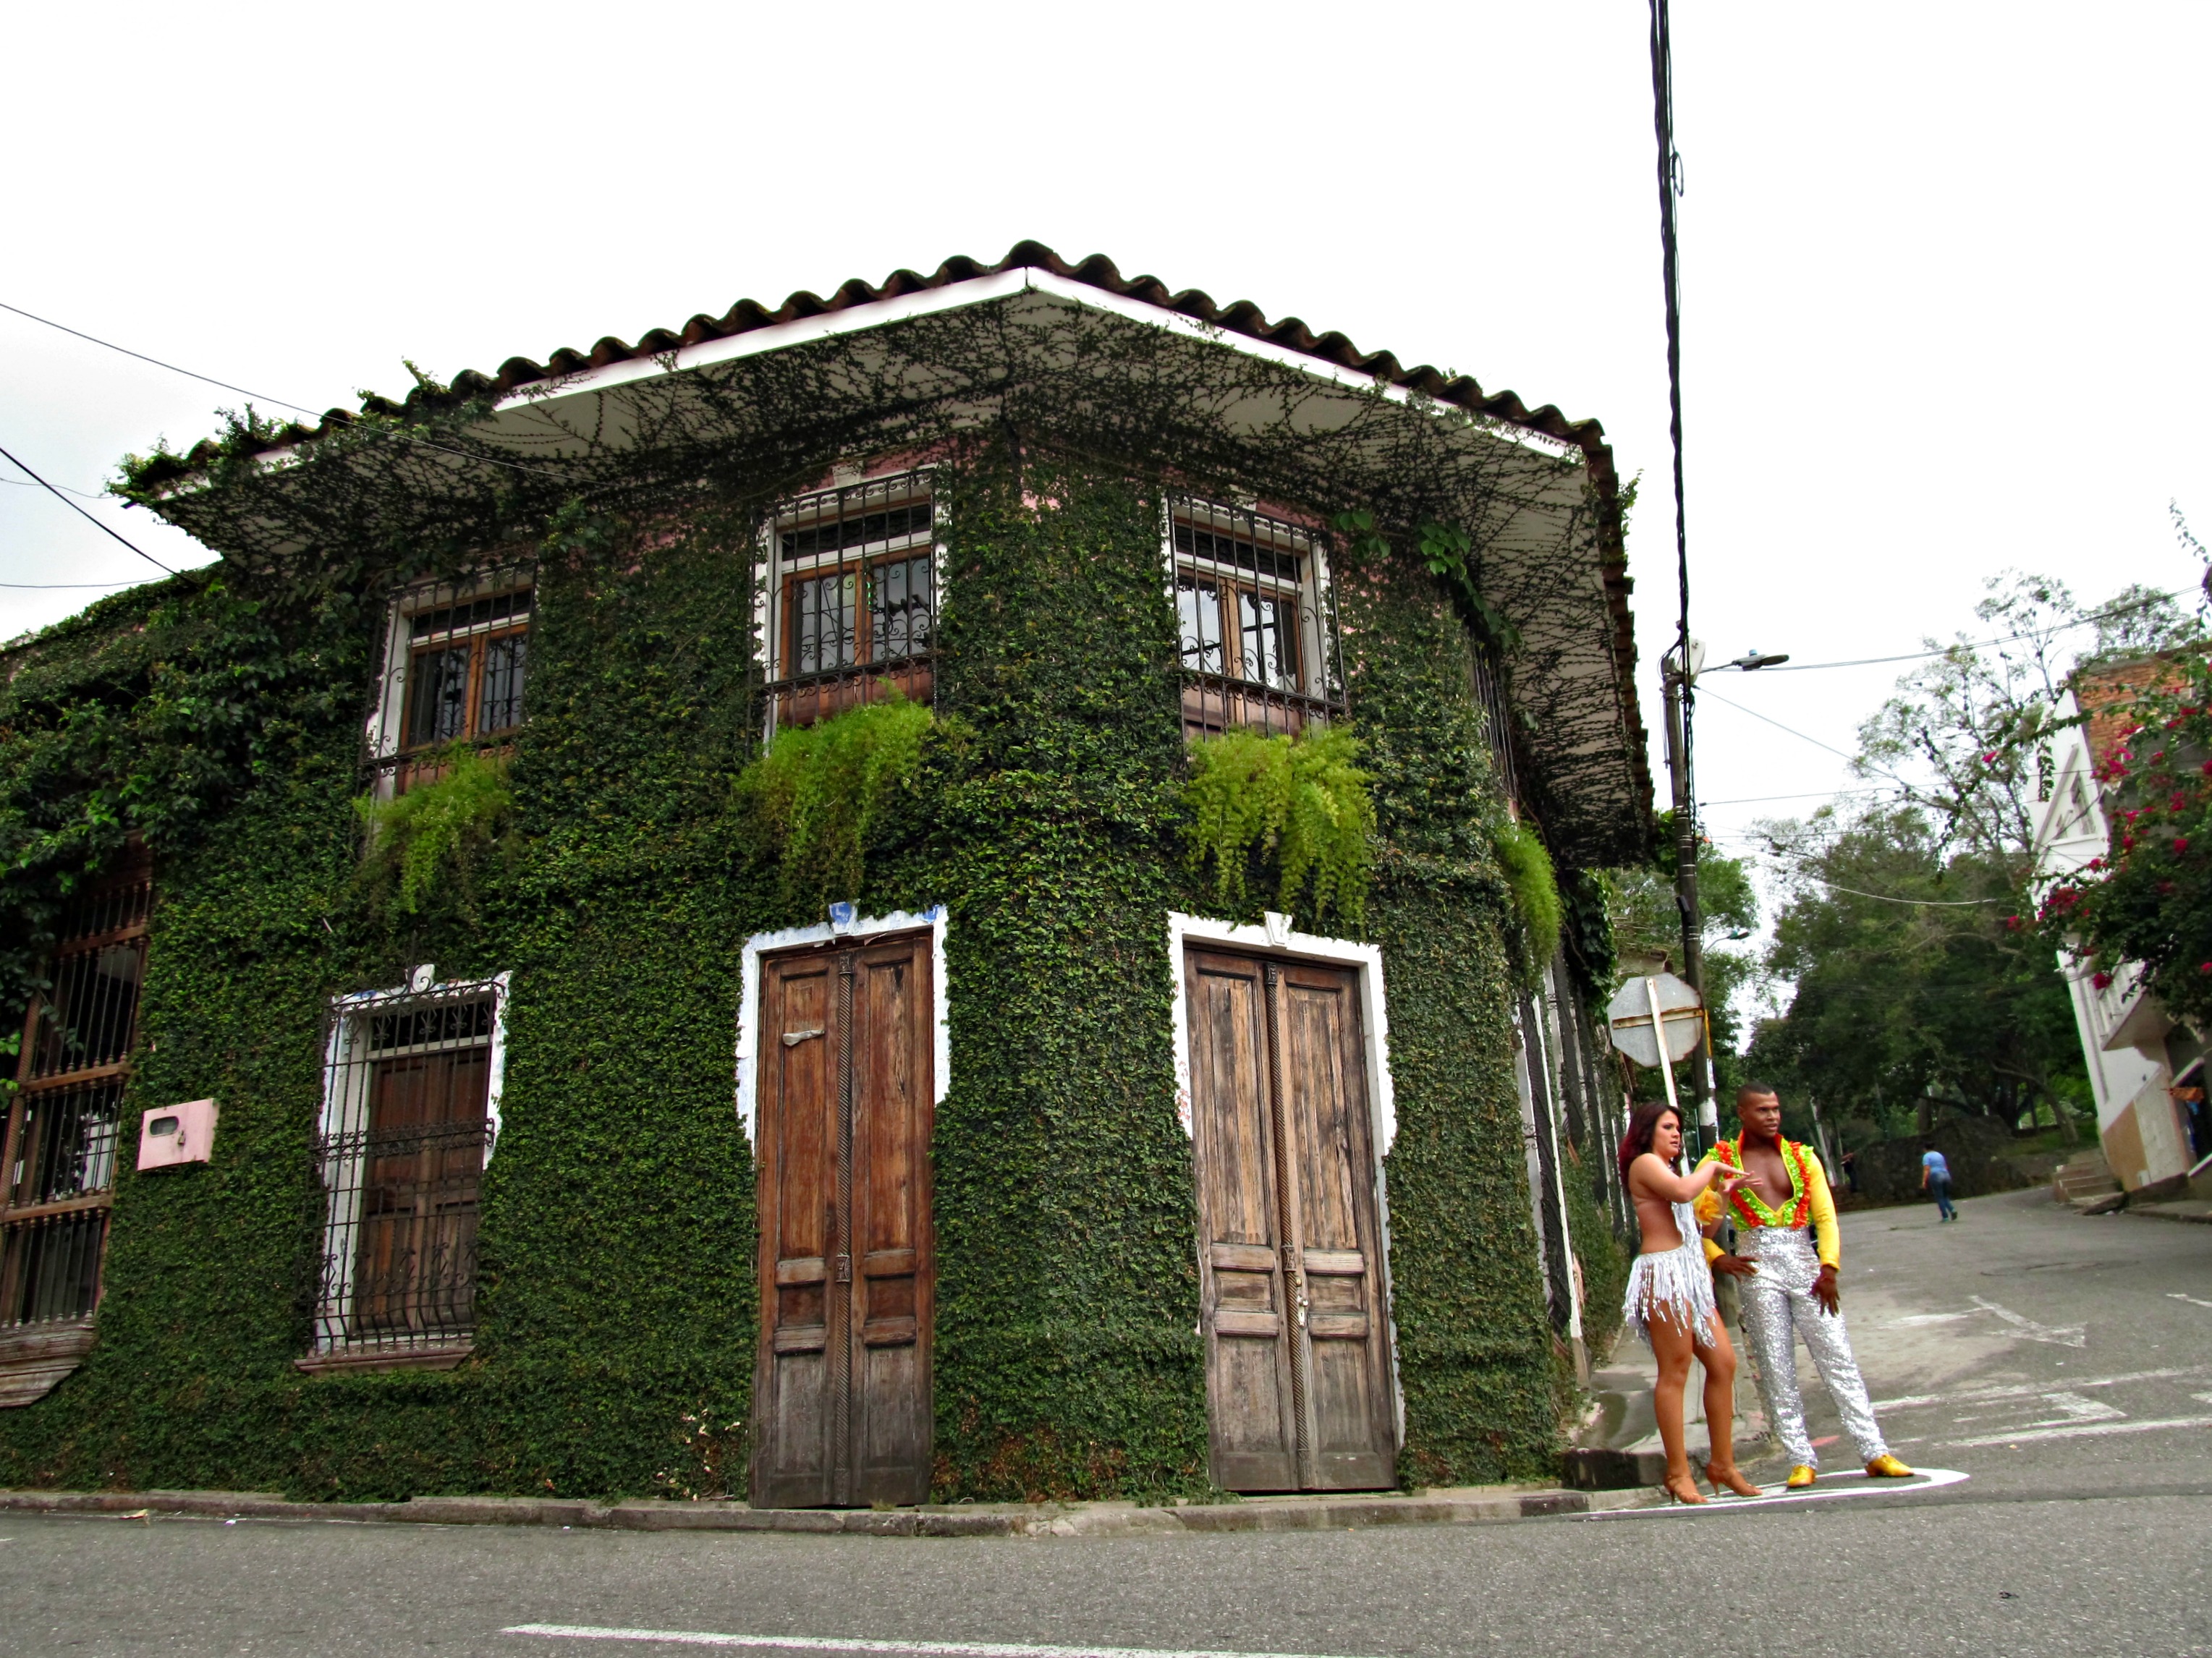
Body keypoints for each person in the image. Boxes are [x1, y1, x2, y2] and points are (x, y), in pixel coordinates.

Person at [1700, 1083, 1915, 1490]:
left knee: (1838, 1356)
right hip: (1756, 1267)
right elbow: (1696, 1223)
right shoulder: (1719, 1162)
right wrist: (1718, 1257)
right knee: (1777, 1366)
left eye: (1776, 1109)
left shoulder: (1803, 1157)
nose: (1772, 1116)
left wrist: (1829, 1267)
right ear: (1742, 1114)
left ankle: (1874, 1451)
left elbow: (1826, 1218)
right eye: (1762, 1110)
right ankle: (1800, 1458)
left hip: (1806, 1263)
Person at [1619, 1100, 1760, 1505]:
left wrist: (1724, 1192)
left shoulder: (1675, 1172)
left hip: (1692, 1275)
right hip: (1663, 1276)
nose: (1677, 1133)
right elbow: (1683, 1193)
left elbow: (1705, 1228)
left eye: (1679, 1127)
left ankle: (1723, 1464)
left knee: (1723, 1363)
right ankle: (1678, 1473)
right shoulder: (1645, 1164)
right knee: (1675, 1372)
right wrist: (1712, 1168)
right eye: (1668, 1127)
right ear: (1648, 1132)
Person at [1921, 1142, 1957, 1221]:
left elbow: (1927, 1169)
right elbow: (1945, 1166)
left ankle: (1945, 1217)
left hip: (1936, 1176)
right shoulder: (1939, 1155)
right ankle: (1952, 1210)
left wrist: (1924, 1181)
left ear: (1925, 1149)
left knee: (1939, 1197)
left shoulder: (1926, 1156)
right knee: (1945, 1196)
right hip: (1945, 1175)